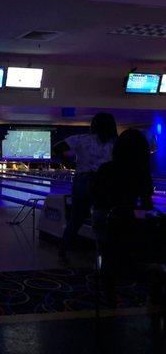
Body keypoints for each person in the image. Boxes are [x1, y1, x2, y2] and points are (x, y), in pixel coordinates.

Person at [90, 129, 154, 303]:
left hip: (106, 219)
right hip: (127, 219)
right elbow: (147, 204)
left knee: (107, 250)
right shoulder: (142, 173)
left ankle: (109, 289)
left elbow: (95, 197)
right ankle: (149, 284)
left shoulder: (105, 169)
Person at [54, 113, 118, 258]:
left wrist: (67, 163)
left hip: (83, 180)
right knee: (103, 217)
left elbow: (57, 147)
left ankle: (62, 251)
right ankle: (104, 254)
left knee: (76, 218)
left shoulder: (82, 139)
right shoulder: (114, 143)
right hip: (104, 181)